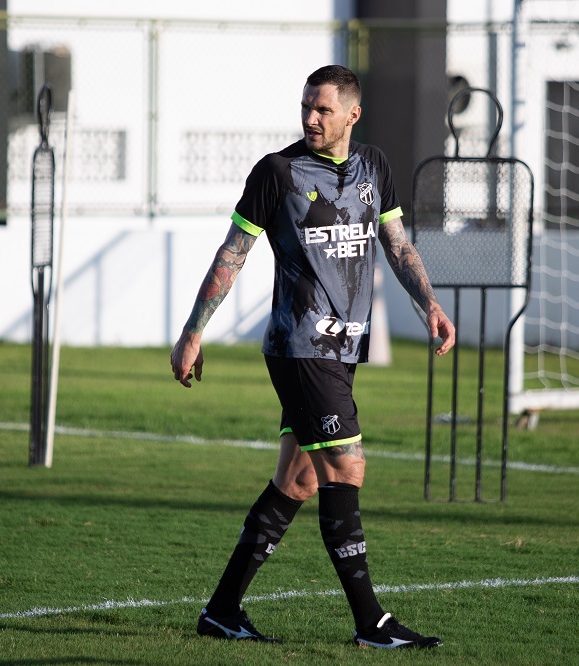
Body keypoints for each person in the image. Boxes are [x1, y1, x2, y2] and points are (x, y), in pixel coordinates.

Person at [169, 64, 455, 650]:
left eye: (323, 109)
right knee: (346, 468)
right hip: (301, 349)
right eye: (305, 107)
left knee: (297, 480)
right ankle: (372, 624)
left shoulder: (373, 167)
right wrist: (193, 333)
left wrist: (429, 303)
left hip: (345, 349)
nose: (310, 118)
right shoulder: (277, 172)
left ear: (353, 114)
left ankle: (222, 611)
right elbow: (233, 252)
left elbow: (397, 245)